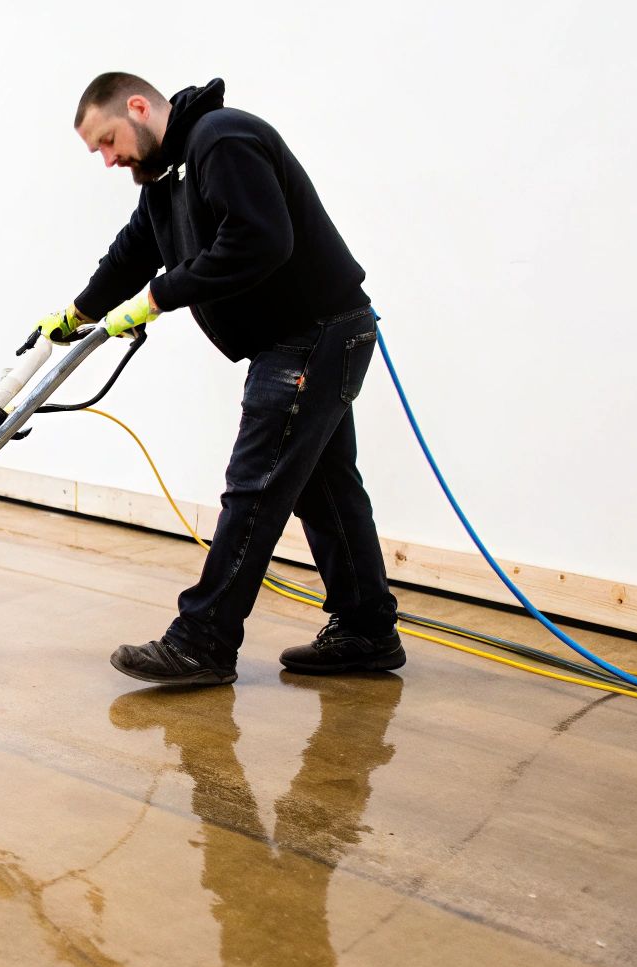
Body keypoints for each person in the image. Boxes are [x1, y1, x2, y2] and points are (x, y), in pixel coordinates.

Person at [43, 72, 402, 685]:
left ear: (137, 107)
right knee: (327, 491)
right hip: (307, 335)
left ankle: (202, 642)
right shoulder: (167, 174)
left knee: (255, 490)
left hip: (314, 332)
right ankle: (367, 629)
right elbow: (135, 249)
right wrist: (80, 310)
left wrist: (159, 297)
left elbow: (261, 240)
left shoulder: (222, 138)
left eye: (107, 141)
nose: (108, 160)